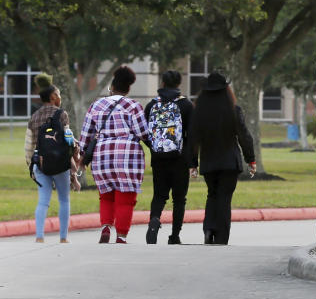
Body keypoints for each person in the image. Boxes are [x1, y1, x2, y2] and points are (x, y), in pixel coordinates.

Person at [78, 65, 150, 244]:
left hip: (101, 156)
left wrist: (81, 157)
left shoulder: (96, 105)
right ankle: (121, 236)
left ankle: (105, 227)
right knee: (126, 198)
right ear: (128, 88)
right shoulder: (133, 105)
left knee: (106, 196)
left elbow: (86, 135)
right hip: (127, 157)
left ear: (112, 86)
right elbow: (143, 132)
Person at [190, 72, 256, 245]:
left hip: (208, 161)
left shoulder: (199, 112)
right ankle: (221, 237)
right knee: (224, 198)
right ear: (226, 90)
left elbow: (193, 139)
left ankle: (209, 228)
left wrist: (192, 163)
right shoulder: (234, 110)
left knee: (212, 195)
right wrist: (251, 159)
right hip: (229, 162)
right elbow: (244, 136)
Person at [24, 73, 80, 243]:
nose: (60, 98)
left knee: (43, 201)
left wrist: (31, 166)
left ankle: (39, 236)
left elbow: (28, 146)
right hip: (61, 165)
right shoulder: (62, 115)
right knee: (64, 199)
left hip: (41, 164)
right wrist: (73, 169)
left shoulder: (34, 117)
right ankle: (63, 238)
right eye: (59, 95)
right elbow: (68, 141)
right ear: (53, 97)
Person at [143, 70, 196, 244]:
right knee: (179, 199)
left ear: (162, 83)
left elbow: (145, 133)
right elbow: (193, 135)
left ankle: (154, 220)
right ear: (179, 84)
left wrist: (155, 149)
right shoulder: (186, 105)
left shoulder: (152, 105)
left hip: (158, 158)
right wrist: (192, 161)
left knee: (159, 195)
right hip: (180, 159)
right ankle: (174, 236)